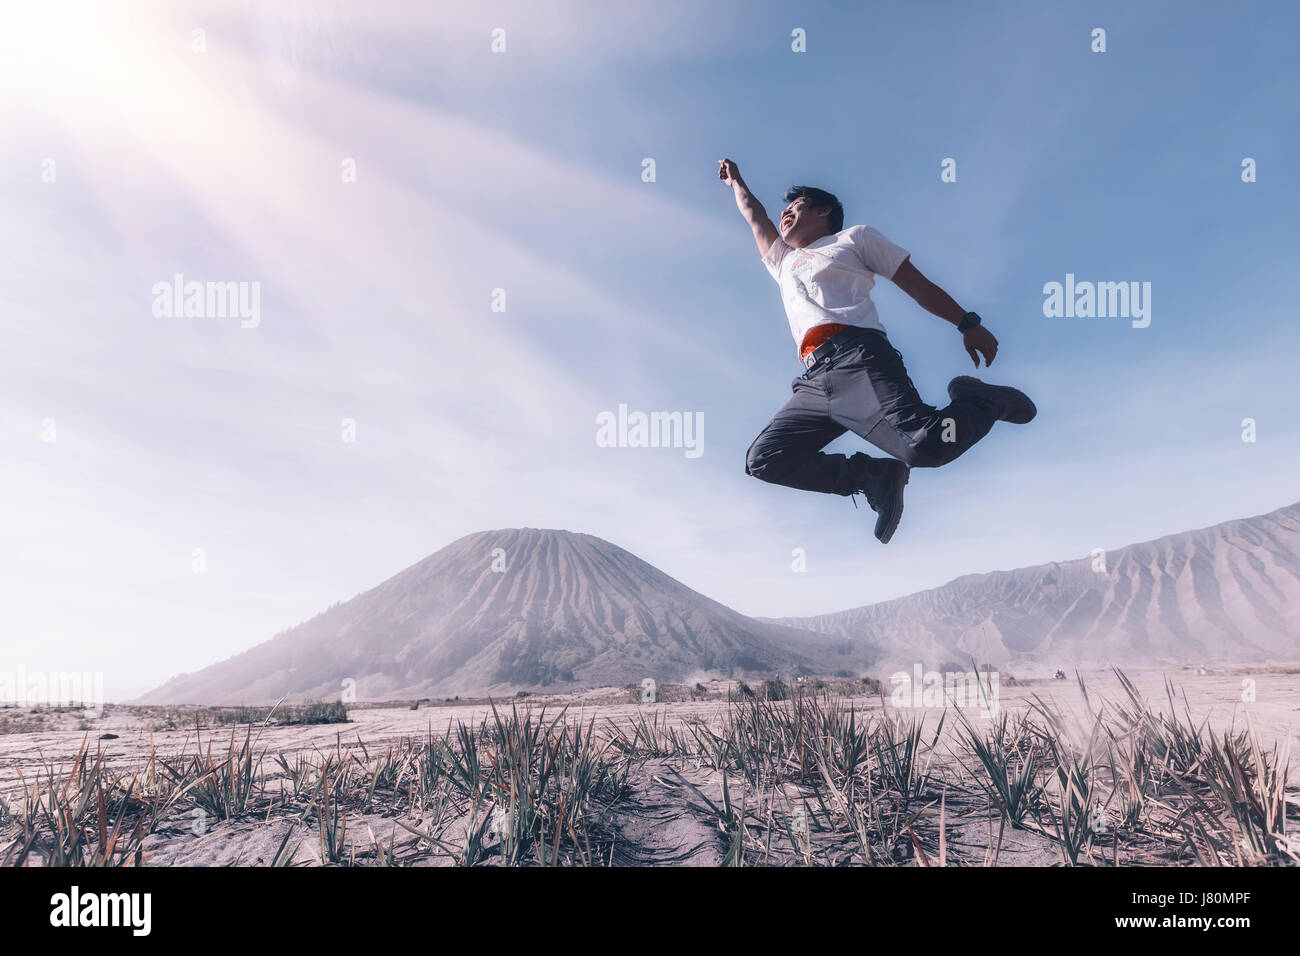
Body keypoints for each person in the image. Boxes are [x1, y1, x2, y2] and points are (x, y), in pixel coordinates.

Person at [719, 158, 1037, 543]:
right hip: (815, 383)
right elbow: (755, 216)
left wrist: (966, 323)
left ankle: (982, 403)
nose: (785, 212)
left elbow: (916, 285)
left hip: (859, 358)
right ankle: (874, 476)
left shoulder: (853, 239)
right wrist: (736, 182)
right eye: (784, 208)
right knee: (765, 459)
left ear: (824, 211)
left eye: (796, 204)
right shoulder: (782, 261)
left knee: (926, 447)